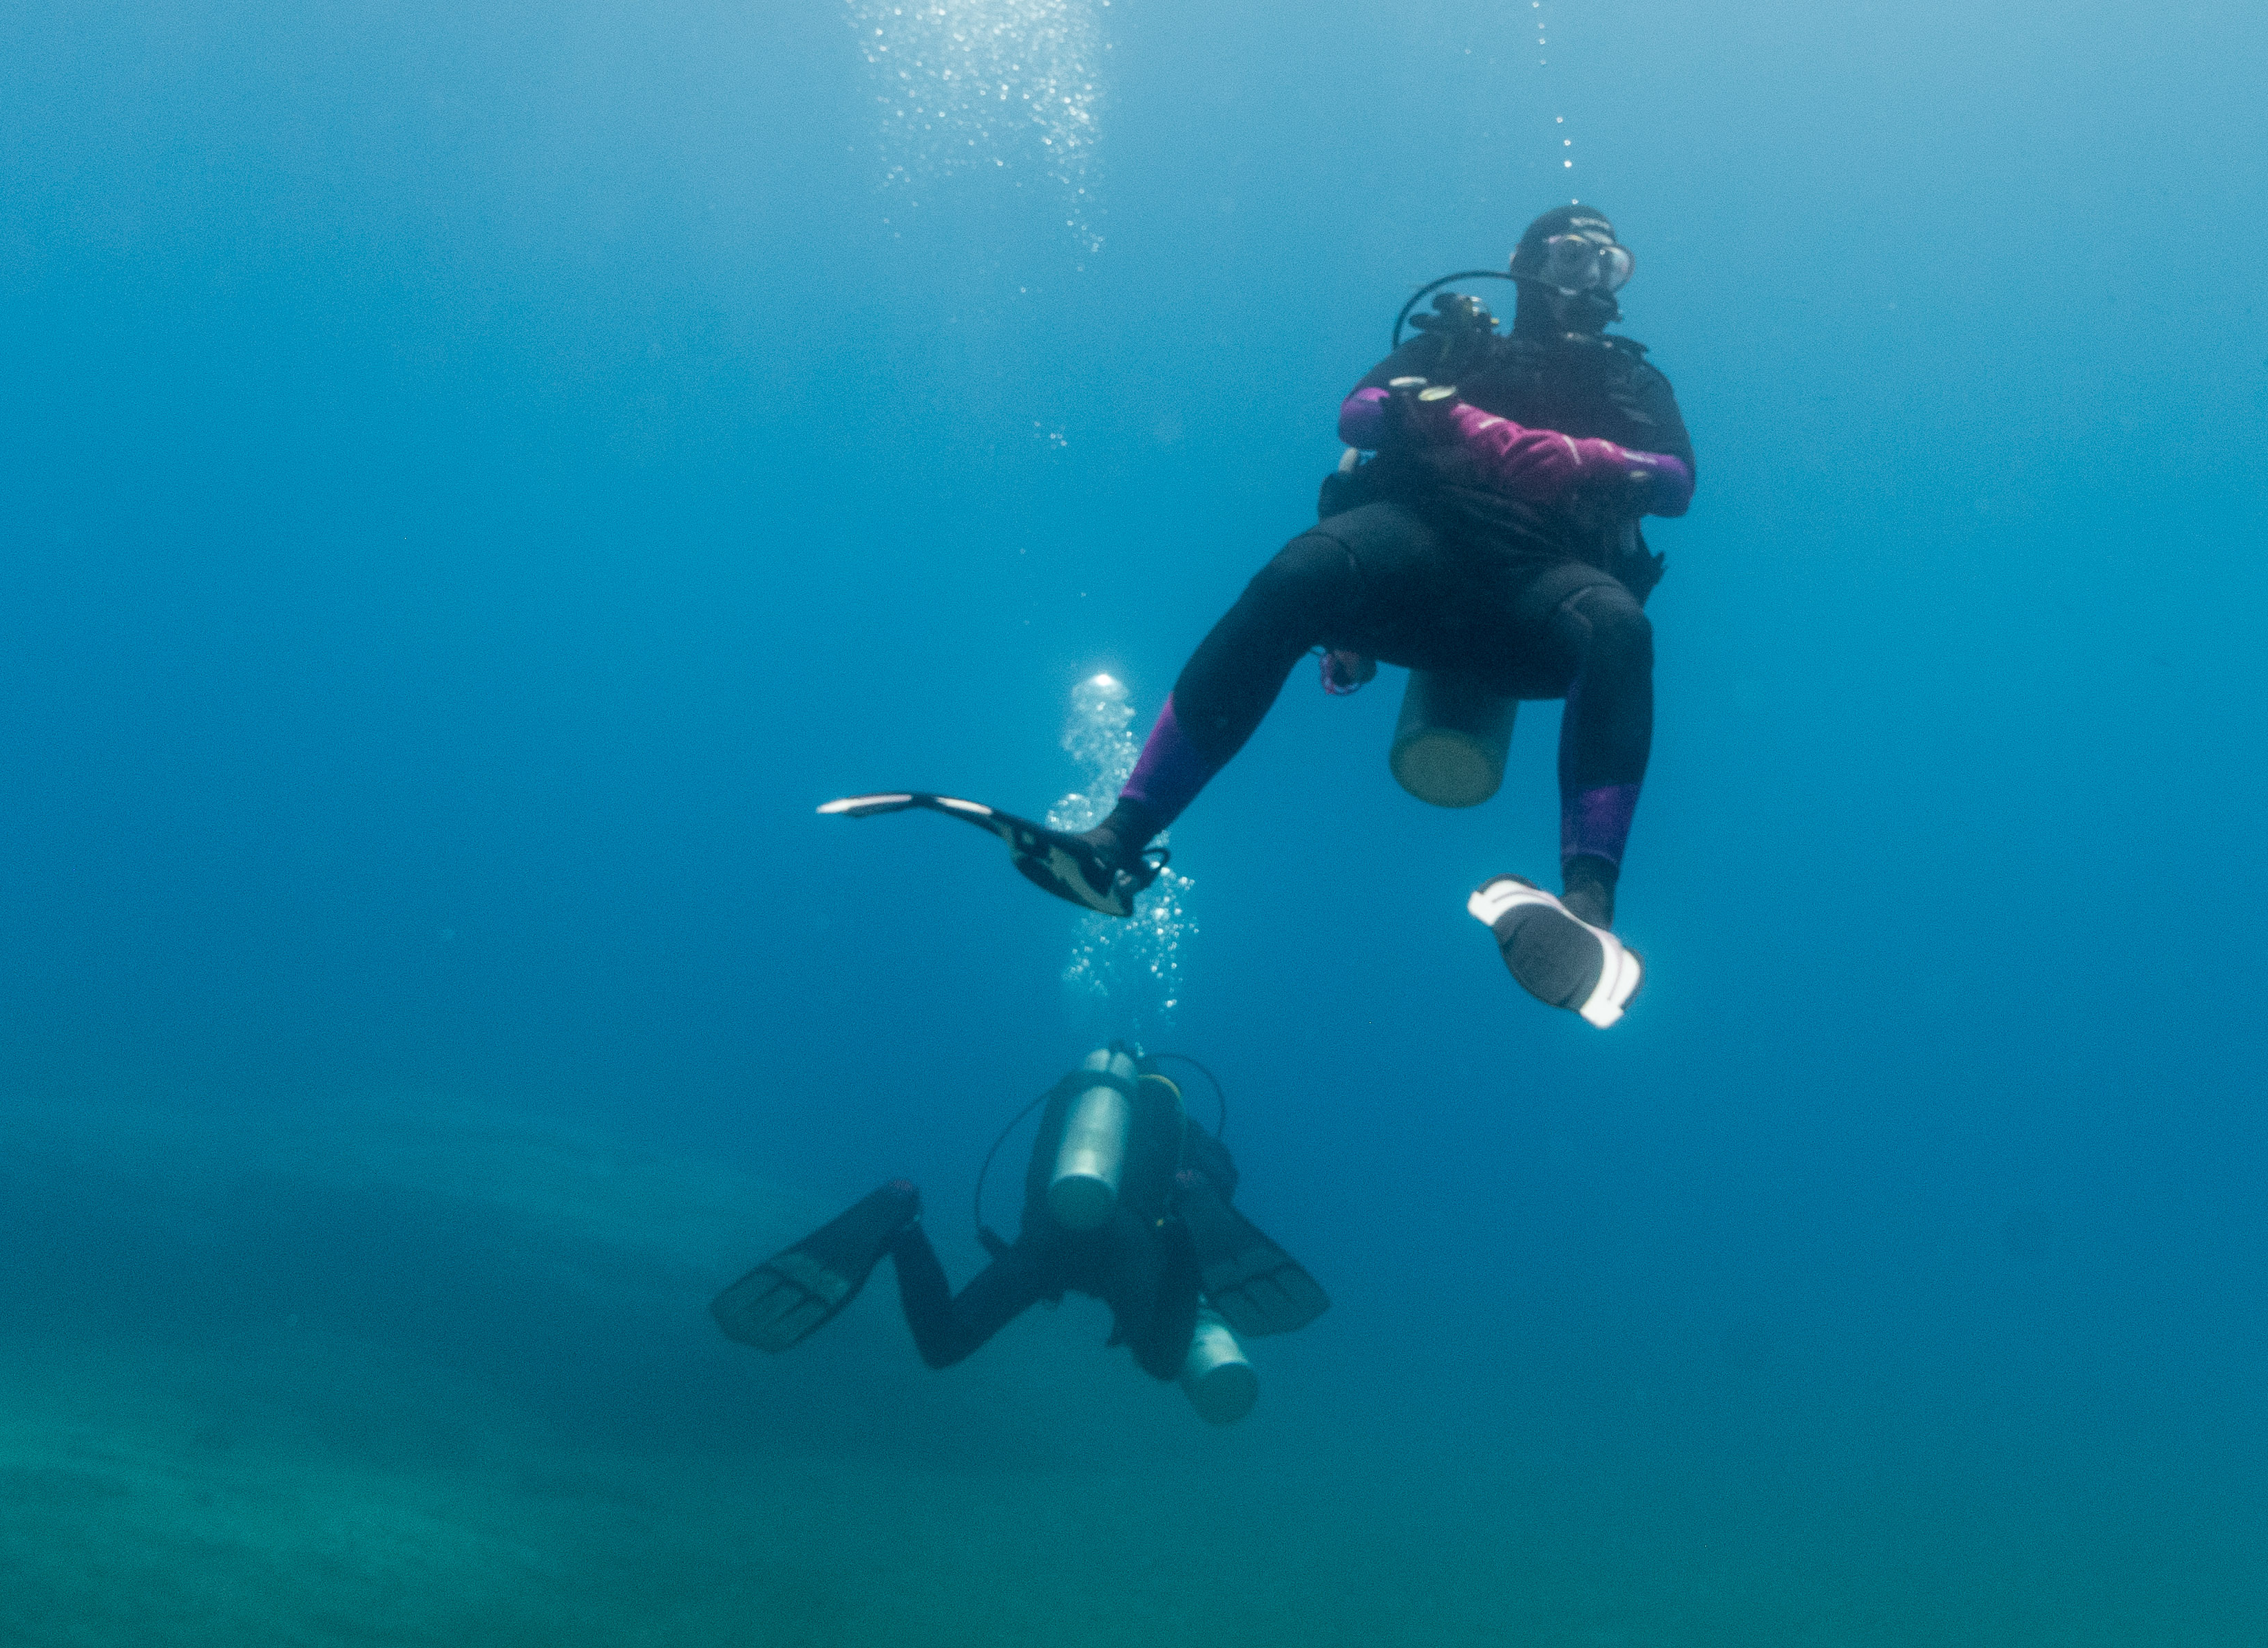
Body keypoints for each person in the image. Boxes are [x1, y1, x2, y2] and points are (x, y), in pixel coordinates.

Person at [1031, 202, 1695, 1025]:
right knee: (1299, 573)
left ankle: (1587, 908)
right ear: (1523, 261)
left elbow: (1677, 481)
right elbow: (1357, 411)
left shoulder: (1631, 380)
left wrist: (1584, 456)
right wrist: (1455, 419)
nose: (1590, 279)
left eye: (1608, 264)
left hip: (1543, 593)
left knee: (1621, 628)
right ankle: (1118, 840)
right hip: (1416, 551)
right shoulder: (1460, 340)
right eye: (1570, 256)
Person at [709, 1046, 1324, 1424]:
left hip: (1053, 1238)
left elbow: (1036, 1178)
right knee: (1164, 1363)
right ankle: (1184, 1239)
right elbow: (1223, 1181)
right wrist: (1191, 1220)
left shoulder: (1072, 1104)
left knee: (944, 1343)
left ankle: (903, 1224)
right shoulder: (1178, 1124)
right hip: (1131, 1244)